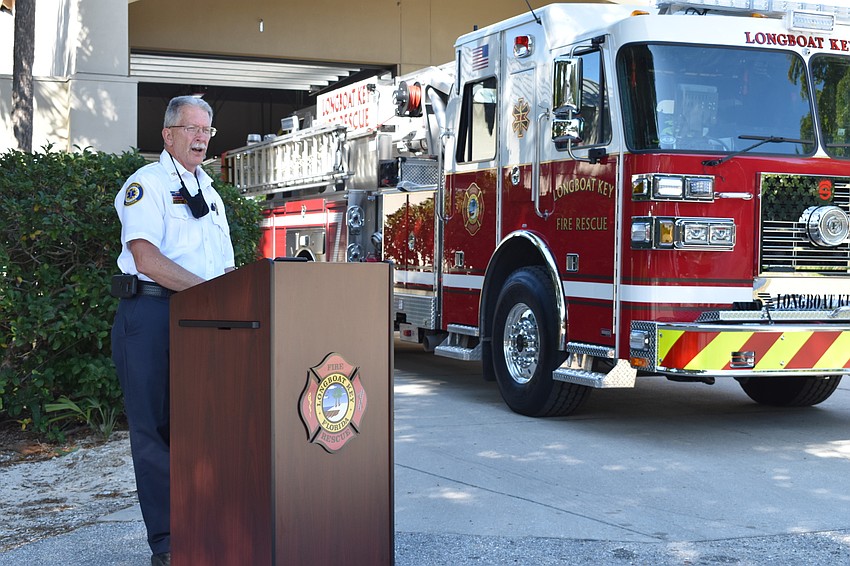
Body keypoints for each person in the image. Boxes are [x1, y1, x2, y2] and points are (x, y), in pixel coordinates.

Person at [111, 95, 235, 566]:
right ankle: (167, 544)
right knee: (155, 432)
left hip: (200, 319)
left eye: (208, 130)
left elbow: (224, 267)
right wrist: (208, 293)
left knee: (202, 428)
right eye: (192, 129)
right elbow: (147, 259)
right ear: (168, 135)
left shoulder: (212, 193)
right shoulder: (147, 184)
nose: (201, 137)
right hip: (150, 317)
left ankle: (204, 528)